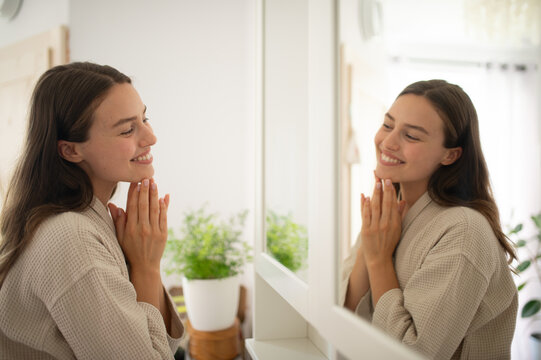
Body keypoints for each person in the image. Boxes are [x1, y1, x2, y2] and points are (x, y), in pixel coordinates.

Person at [0, 62, 184, 359]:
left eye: (144, 118)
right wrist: (147, 267)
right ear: (71, 150)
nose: (150, 137)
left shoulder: (89, 223)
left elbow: (158, 346)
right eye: (127, 130)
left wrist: (143, 263)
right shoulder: (71, 239)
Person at [340, 80, 517, 359]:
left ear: (450, 154)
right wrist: (370, 248)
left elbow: (414, 353)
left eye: (411, 136)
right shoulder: (387, 213)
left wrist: (379, 260)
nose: (387, 142)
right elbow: (343, 316)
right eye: (388, 125)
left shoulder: (463, 231)